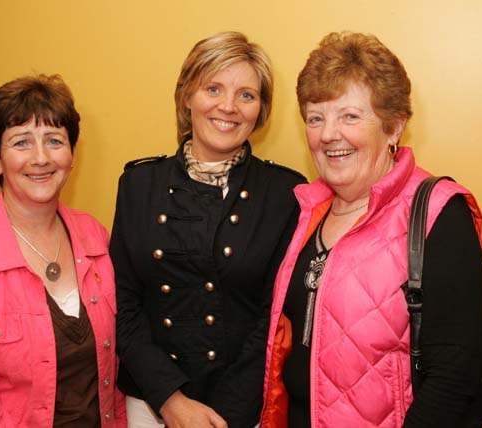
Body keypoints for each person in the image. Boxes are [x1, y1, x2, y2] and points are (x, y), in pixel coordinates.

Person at [260, 32, 482, 428]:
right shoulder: (305, 211)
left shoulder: (438, 213)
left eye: (349, 116)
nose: (329, 133)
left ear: (394, 127)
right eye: (316, 118)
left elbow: (453, 378)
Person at [110, 31, 306, 428]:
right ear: (187, 96)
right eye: (213, 88)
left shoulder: (286, 193)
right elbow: (124, 307)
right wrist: (170, 400)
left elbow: (276, 318)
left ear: (261, 110)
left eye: (247, 95)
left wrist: (229, 415)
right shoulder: (138, 185)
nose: (228, 107)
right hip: (151, 402)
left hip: (241, 408)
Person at [0, 74, 127, 427]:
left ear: (72, 153)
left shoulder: (95, 236)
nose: (40, 158)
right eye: (21, 143)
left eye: (54, 141)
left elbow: (115, 373)